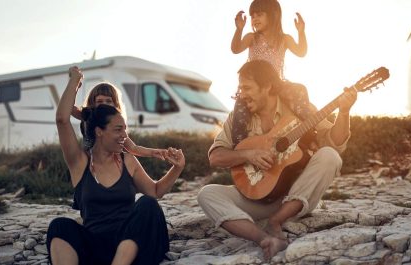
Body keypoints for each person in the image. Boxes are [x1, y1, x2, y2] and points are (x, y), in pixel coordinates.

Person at [197, 60, 357, 260]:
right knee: (207, 194)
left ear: (267, 86)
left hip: (295, 198)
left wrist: (343, 112)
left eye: (247, 88)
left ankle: (277, 221)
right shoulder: (238, 117)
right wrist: (248, 154)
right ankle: (264, 239)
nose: (241, 94)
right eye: (240, 88)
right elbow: (215, 157)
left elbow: (335, 143)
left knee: (329, 156)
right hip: (255, 198)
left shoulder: (300, 110)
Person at [47, 66, 185, 265]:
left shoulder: (128, 160)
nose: (124, 136)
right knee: (59, 226)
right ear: (99, 132)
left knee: (148, 204)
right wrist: (75, 81)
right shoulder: (80, 162)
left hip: (130, 245)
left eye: (125, 130)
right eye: (118, 130)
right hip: (95, 244)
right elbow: (62, 119)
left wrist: (177, 168)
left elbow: (155, 191)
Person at [230, 0, 310, 146]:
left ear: (273, 15)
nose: (255, 19)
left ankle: (309, 130)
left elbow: (301, 52)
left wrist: (301, 31)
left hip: (276, 84)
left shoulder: (284, 39)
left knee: (300, 90)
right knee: (240, 109)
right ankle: (239, 145)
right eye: (252, 16)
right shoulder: (251, 37)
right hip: (255, 86)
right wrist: (239, 29)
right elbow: (235, 49)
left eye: (259, 15)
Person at [71, 82, 168, 159]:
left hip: (112, 164)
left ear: (115, 104)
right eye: (99, 101)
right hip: (89, 162)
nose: (104, 104)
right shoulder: (88, 116)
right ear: (93, 103)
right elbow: (69, 108)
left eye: (108, 101)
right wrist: (74, 85)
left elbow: (133, 148)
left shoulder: (116, 122)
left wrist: (154, 152)